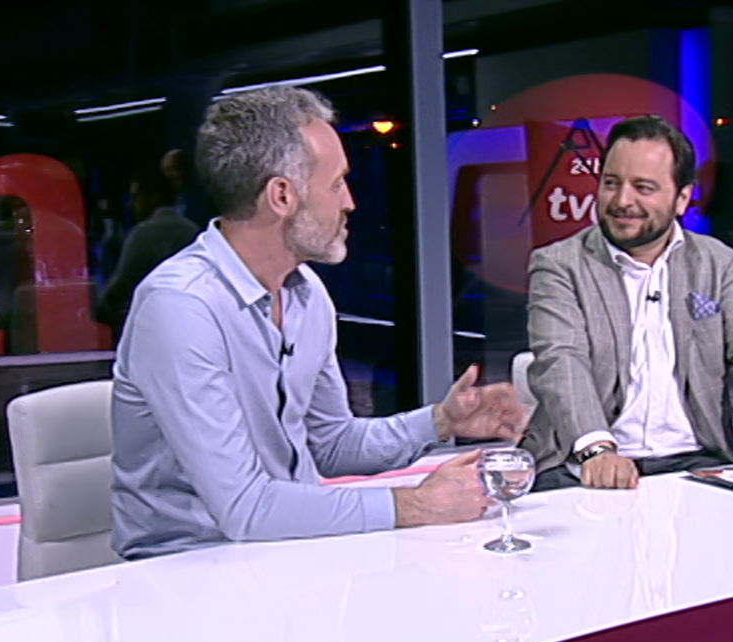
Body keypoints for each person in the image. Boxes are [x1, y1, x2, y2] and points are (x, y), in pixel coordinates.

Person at [111, 86, 526, 558]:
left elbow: (329, 444)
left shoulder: (306, 294)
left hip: (289, 552)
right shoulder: (181, 307)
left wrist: (440, 421)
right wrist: (416, 505)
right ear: (281, 196)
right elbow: (245, 509)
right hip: (186, 568)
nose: (350, 202)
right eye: (337, 184)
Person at [522, 115, 733, 490]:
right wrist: (596, 449)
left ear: (682, 198)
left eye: (643, 187)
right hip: (581, 464)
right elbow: (562, 361)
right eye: (611, 183)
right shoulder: (560, 264)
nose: (622, 201)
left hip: (696, 461)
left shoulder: (717, 263)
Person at [96, 167, 199, 338]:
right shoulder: (193, 230)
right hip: (191, 326)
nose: (131, 205)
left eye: (136, 197)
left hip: (152, 330)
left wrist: (97, 310)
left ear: (155, 197)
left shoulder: (143, 234)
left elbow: (119, 288)